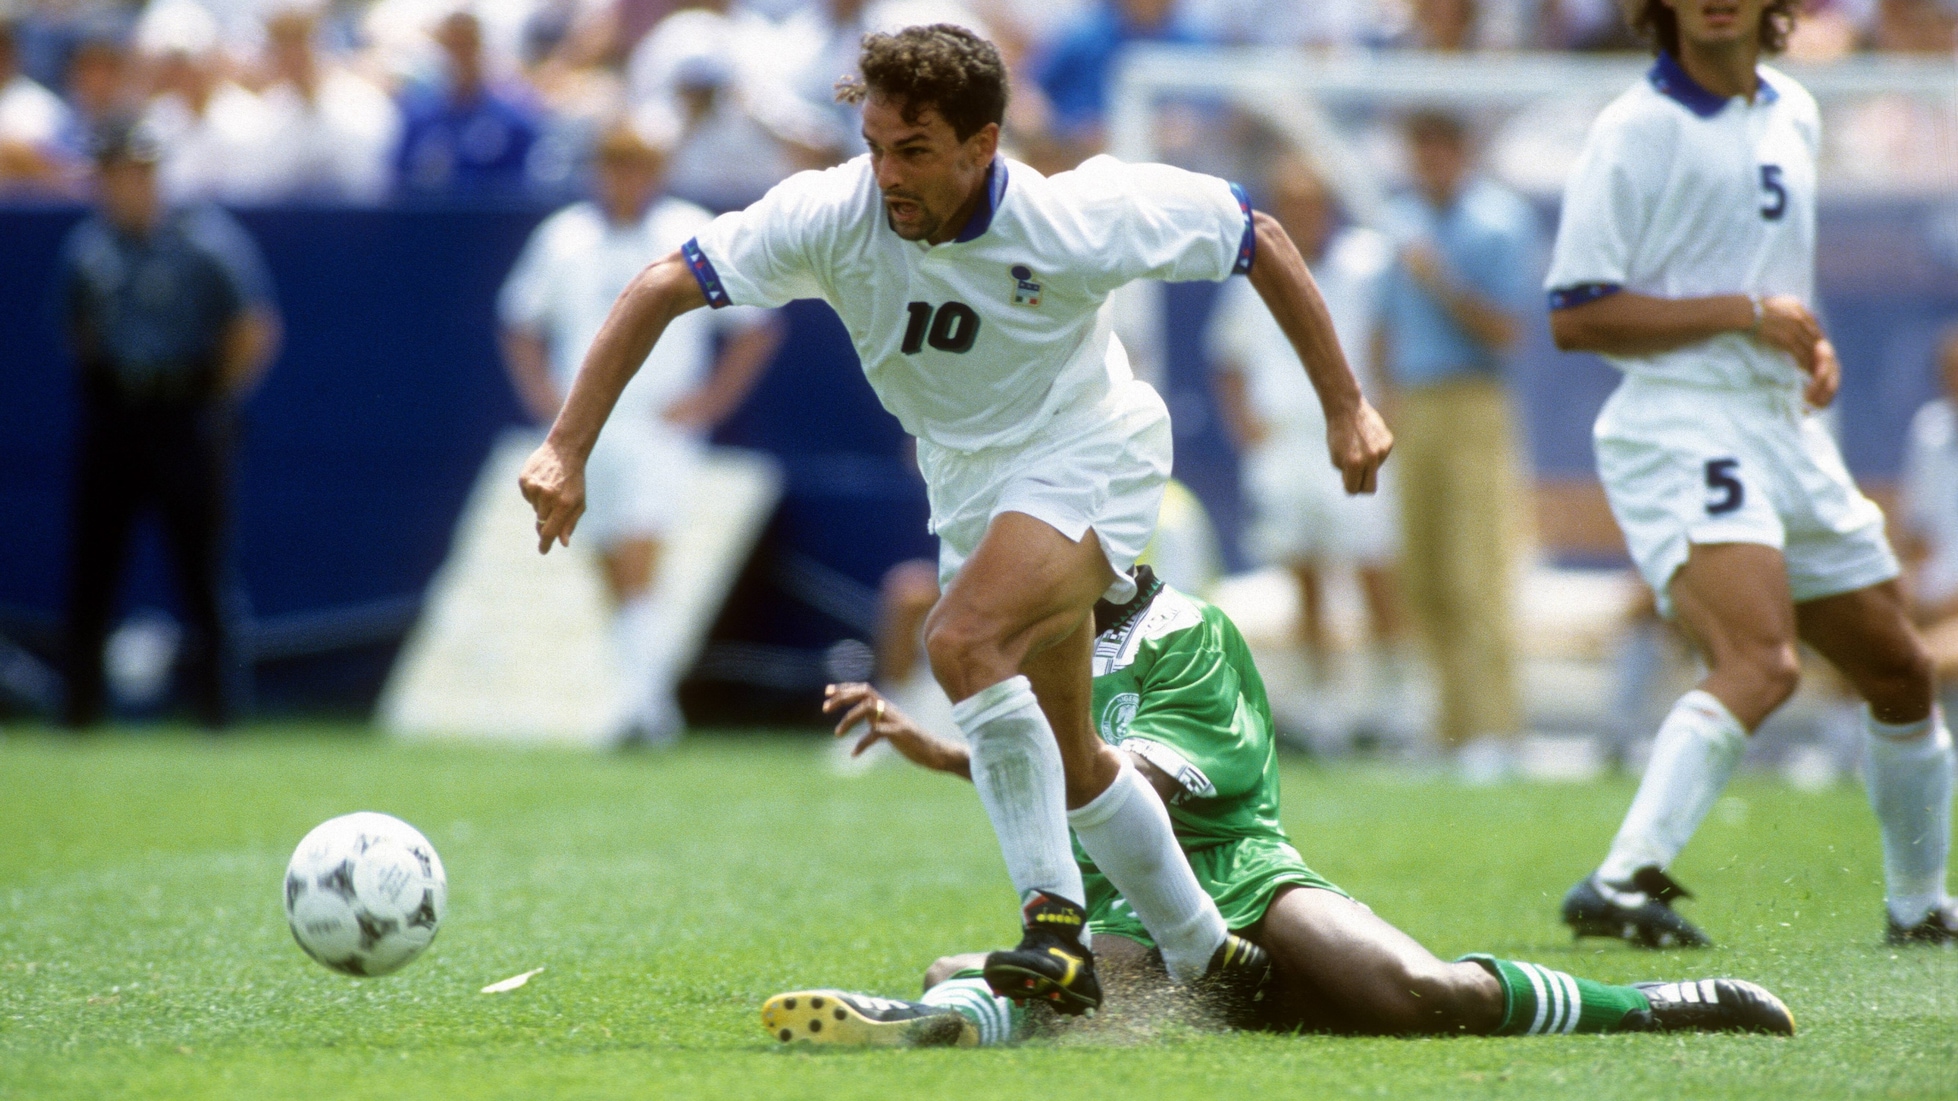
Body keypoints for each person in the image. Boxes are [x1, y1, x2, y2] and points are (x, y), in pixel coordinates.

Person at [517, 24, 1393, 1015]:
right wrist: (567, 444)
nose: (886, 174)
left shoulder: (1073, 216)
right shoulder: (829, 214)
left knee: (963, 640)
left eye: (914, 150)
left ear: (982, 146)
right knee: (1072, 757)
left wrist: (1344, 404)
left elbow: (1255, 236)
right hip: (970, 485)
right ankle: (1205, 952)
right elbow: (664, 283)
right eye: (875, 145)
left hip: (1089, 446)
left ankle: (1052, 927)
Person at [765, 566, 1794, 1045]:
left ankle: (1657, 1007)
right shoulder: (1042, 639)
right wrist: (940, 749)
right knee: (1032, 987)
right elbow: (1052, 774)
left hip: (1240, 882)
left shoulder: (1190, 632)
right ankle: (918, 1025)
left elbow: (1121, 788)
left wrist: (970, 748)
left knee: (1417, 996)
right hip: (1128, 907)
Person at [1546, 0, 1955, 947]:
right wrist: (1742, 314)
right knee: (1761, 661)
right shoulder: (1634, 129)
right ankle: (1618, 879)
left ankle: (1919, 906)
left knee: (1897, 669)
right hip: (1681, 420)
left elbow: (1775, 292)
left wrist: (1808, 350)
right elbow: (1576, 315)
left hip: (1780, 425)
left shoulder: (1796, 112)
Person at [498, 115, 781, 744]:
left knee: (639, 555)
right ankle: (645, 701)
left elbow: (756, 327)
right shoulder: (563, 237)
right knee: (605, 561)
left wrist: (708, 402)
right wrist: (548, 400)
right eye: (615, 164)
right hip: (588, 429)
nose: (627, 178)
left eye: (640, 165)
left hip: (657, 428)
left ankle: (644, 711)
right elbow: (519, 320)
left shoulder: (686, 230)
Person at [56, 117, 281, 729]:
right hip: (113, 413)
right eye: (114, 174)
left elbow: (253, 329)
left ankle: (219, 712)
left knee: (203, 568)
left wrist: (210, 395)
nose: (126, 185)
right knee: (93, 564)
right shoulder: (89, 248)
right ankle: (80, 710)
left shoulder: (203, 240)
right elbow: (80, 332)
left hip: (185, 413)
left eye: (137, 172)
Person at [1209, 161, 1406, 718]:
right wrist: (1248, 428)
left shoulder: (1363, 268)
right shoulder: (1250, 281)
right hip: (1288, 445)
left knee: (1375, 571)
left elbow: (1386, 341)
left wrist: (1383, 413)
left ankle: (1394, 705)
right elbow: (1229, 361)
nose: (1303, 216)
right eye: (1291, 205)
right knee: (1307, 576)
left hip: (1354, 437)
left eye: (1311, 204)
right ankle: (1323, 707)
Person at [1377, 109, 1538, 778]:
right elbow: (1385, 326)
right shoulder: (1400, 217)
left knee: (1478, 568)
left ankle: (1494, 731)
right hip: (1413, 404)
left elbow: (1506, 329)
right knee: (1425, 572)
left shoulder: (1498, 220)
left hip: (1473, 400)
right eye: (1422, 147)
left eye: (1441, 145)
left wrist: (1442, 279)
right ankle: (1448, 727)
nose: (1430, 159)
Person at [393, 9, 541, 198]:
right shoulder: (418, 120)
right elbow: (401, 185)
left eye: (465, 45)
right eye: (450, 46)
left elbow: (519, 192)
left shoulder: (511, 123)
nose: (458, 56)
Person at [1897, 328, 1958, 686]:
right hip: (1933, 599)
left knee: (1911, 668)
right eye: (1949, 373)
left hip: (1948, 609)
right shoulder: (1931, 429)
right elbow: (1919, 537)